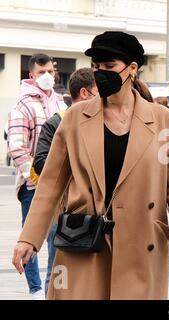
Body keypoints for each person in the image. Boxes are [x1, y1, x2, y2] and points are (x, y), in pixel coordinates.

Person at [12, 31, 169, 300]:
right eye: (96, 68)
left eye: (109, 67)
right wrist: (29, 238)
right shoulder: (74, 118)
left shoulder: (161, 120)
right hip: (84, 242)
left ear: (132, 69)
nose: (101, 74)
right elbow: (51, 184)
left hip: (141, 245)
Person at [29, 67, 98, 297]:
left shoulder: (103, 122)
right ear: (86, 93)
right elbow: (41, 163)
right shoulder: (57, 122)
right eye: (99, 90)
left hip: (98, 211)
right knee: (58, 268)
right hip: (64, 210)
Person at [8, 53, 67, 299]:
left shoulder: (61, 103)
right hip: (33, 185)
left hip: (59, 186)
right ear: (31, 75)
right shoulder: (22, 106)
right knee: (31, 237)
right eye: (41, 72)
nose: (46, 76)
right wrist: (36, 178)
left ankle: (50, 288)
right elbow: (18, 148)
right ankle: (35, 290)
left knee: (57, 239)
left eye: (50, 72)